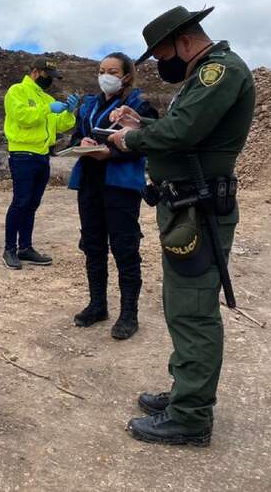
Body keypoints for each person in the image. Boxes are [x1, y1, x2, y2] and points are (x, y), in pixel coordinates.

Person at [107, 6, 255, 446]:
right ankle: (183, 393)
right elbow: (180, 129)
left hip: (200, 208)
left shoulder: (219, 72)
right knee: (181, 305)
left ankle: (191, 417)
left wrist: (131, 138)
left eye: (161, 53)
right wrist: (145, 125)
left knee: (193, 309)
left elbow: (184, 132)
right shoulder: (204, 73)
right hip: (186, 205)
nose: (159, 63)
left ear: (183, 42)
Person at [67, 52, 158, 340]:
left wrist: (112, 152)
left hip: (120, 186)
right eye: (101, 70)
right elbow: (74, 138)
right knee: (92, 244)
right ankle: (97, 305)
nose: (105, 75)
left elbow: (147, 142)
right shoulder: (89, 105)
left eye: (112, 71)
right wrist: (82, 141)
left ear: (126, 76)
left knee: (124, 247)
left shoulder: (139, 107)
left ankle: (129, 314)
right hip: (90, 183)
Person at [2, 58, 79, 269]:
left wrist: (69, 112)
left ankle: (25, 247)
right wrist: (47, 110)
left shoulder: (46, 98)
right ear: (36, 72)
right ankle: (9, 249)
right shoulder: (16, 91)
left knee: (32, 203)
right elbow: (22, 117)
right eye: (48, 76)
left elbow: (60, 125)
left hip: (42, 155)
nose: (51, 81)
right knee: (21, 201)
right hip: (22, 154)